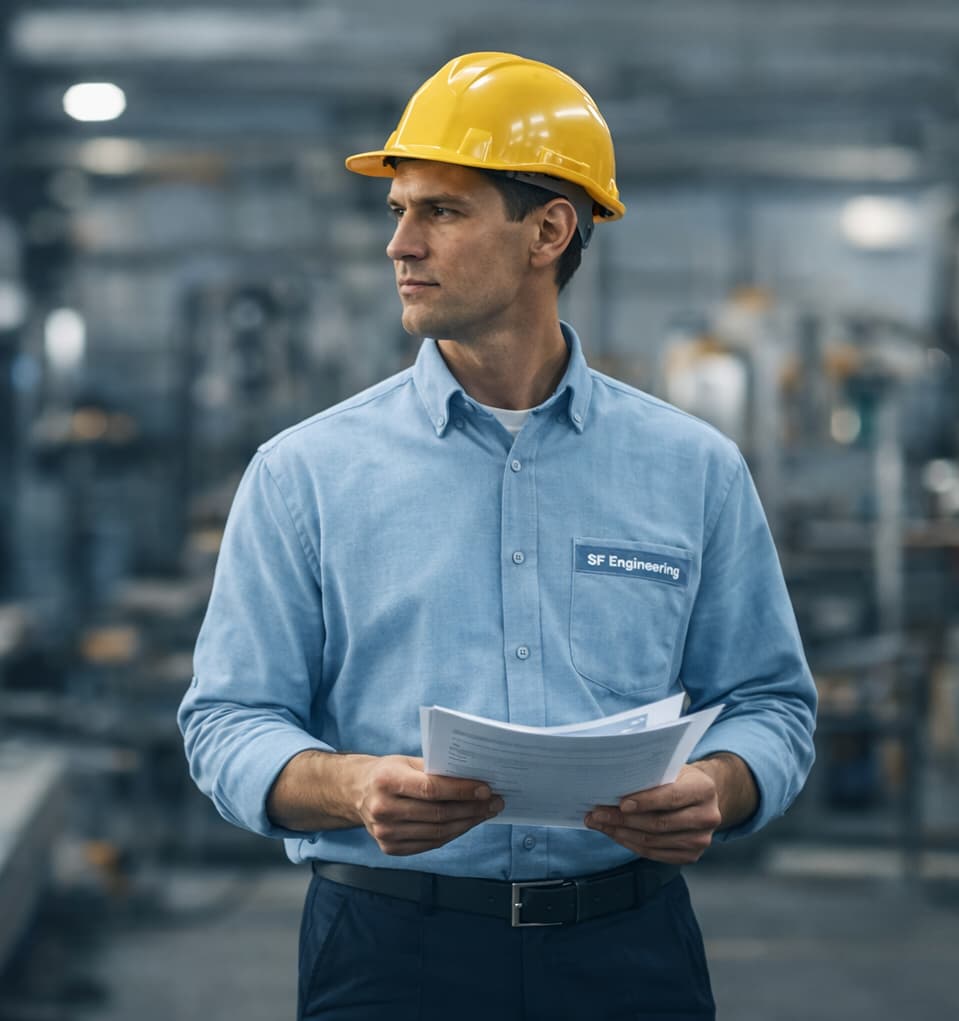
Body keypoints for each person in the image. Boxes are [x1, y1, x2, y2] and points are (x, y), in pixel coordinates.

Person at [178, 51, 817, 1020]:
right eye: (398, 209)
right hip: (388, 954)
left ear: (548, 231)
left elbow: (769, 702)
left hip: (627, 952)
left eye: (440, 210)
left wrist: (720, 785)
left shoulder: (693, 469)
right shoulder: (303, 472)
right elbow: (227, 720)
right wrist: (353, 785)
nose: (399, 244)